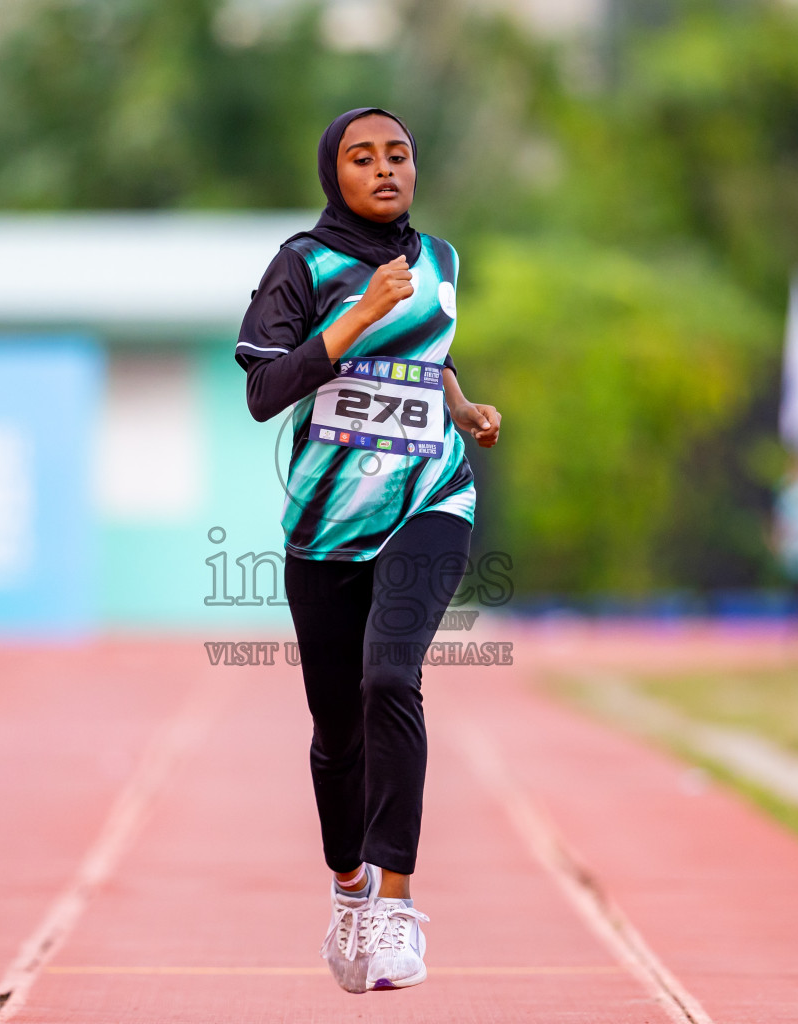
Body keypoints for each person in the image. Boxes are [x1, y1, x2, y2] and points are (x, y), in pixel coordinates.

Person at [235, 107, 501, 993]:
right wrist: (355, 315)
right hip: (326, 521)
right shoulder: (302, 265)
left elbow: (426, 350)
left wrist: (461, 408)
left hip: (431, 495)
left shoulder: (442, 262)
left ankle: (394, 903)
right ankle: (348, 889)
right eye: (363, 157)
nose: (385, 169)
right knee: (335, 727)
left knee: (391, 676)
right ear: (333, 173)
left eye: (399, 155)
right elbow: (267, 389)